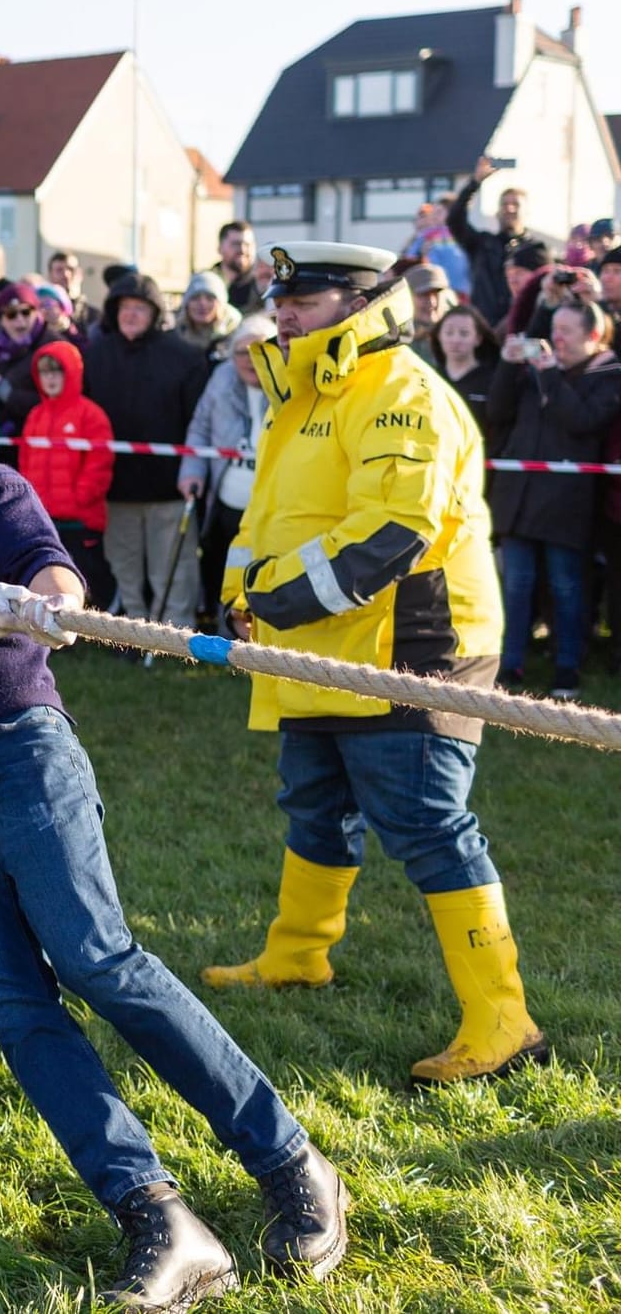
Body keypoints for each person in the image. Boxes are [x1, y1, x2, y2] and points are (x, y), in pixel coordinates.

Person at [0, 366, 347, 1308]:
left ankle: (293, 1160)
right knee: (11, 1001)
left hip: (18, 747)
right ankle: (160, 1217)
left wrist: (48, 603)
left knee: (97, 957)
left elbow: (53, 563)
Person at [206, 242, 545, 1087]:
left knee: (428, 825)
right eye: (281, 297)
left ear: (359, 305)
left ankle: (505, 1018)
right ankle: (296, 955)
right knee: (314, 804)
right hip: (320, 643)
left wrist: (269, 596)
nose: (282, 311)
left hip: (416, 644)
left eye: (306, 298)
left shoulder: (402, 391)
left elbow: (391, 534)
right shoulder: (303, 389)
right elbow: (273, 516)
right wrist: (238, 585)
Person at [482, 300, 620, 699]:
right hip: (519, 497)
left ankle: (566, 670)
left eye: (566, 330)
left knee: (566, 586)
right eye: (553, 328)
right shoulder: (535, 367)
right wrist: (509, 365)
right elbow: (498, 410)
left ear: (592, 336)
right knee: (516, 585)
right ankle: (508, 666)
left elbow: (582, 421)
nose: (555, 338)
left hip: (566, 502)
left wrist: (551, 377)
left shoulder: (608, 374)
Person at [82, 273, 210, 627]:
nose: (131, 315)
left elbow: (198, 422)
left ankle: (175, 634)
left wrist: (193, 472)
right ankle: (134, 631)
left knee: (172, 569)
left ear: (155, 313)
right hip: (116, 488)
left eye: (140, 308)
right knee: (125, 567)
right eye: (124, 307)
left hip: (168, 489)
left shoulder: (184, 357)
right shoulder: (94, 356)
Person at [179, 315, 276, 625]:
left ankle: (262, 632)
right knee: (221, 564)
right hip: (226, 499)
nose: (250, 360)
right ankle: (226, 631)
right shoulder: (221, 379)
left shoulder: (287, 381)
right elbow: (200, 428)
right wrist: (191, 472)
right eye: (242, 352)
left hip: (270, 502)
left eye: (259, 350)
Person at [16, 341, 115, 613]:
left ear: (71, 372)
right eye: (44, 372)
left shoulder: (90, 414)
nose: (50, 378)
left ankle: (112, 625)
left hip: (81, 518)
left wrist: (79, 498)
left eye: (57, 371)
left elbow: (99, 463)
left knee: (93, 574)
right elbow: (26, 461)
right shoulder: (35, 415)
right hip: (44, 517)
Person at [448, 157, 529, 326]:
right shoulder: (482, 244)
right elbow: (455, 220)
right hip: (483, 328)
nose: (509, 208)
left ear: (525, 211)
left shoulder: (535, 250)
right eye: (504, 204)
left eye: (515, 204)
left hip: (519, 328)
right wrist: (474, 183)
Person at [0, 282, 64, 432]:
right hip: (9, 436)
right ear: (2, 319)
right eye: (11, 314)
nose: (19, 319)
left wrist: (10, 395)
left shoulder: (54, 345)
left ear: (37, 312)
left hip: (47, 432)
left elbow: (60, 398)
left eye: (26, 312)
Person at [430, 306, 499, 427]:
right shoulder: (429, 379)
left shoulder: (492, 380)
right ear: (439, 336)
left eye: (464, 333)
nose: (456, 340)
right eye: (449, 333)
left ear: (478, 339)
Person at [176, 272, 241, 359]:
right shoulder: (175, 337)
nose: (202, 304)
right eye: (195, 298)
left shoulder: (239, 337)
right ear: (186, 305)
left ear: (222, 305)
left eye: (210, 298)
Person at [206, 221, 264, 314]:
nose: (242, 250)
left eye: (247, 245)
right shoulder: (206, 284)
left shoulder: (263, 284)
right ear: (220, 248)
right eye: (236, 244)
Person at [406, 265, 456, 357]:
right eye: (423, 295)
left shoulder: (460, 338)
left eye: (436, 294)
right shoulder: (398, 342)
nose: (432, 302)